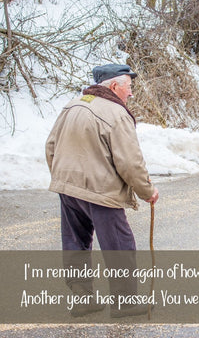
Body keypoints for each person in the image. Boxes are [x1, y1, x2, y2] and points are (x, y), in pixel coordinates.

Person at [46, 64, 159, 318]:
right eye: (129, 87)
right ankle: (125, 302)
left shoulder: (72, 105)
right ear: (115, 86)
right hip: (99, 190)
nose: (131, 94)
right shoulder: (116, 113)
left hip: (68, 187)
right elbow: (130, 162)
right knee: (120, 245)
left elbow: (50, 146)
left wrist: (62, 177)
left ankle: (83, 300)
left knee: (75, 243)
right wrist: (146, 191)